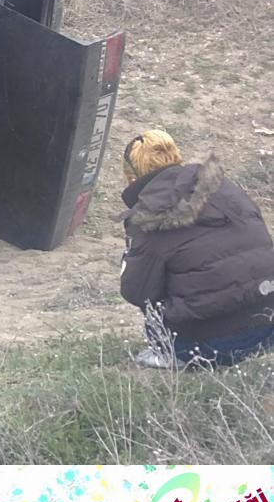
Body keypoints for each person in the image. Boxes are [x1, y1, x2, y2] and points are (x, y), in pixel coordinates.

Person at [116, 130, 274, 368]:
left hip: (207, 348)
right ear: (175, 156)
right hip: (267, 327)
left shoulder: (147, 215)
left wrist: (128, 261)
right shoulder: (224, 187)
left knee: (151, 296)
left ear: (131, 177)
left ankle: (170, 354)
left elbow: (137, 292)